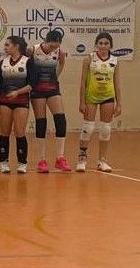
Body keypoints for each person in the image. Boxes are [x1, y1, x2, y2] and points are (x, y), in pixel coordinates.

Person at [26, 30, 70, 173]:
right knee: (41, 122)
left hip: (52, 88)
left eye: (56, 47)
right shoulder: (33, 50)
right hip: (37, 90)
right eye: (51, 46)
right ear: (45, 41)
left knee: (61, 120)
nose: (53, 49)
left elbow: (61, 64)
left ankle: (60, 158)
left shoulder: (59, 52)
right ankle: (42, 160)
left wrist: (56, 76)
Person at [77, 32, 122, 173]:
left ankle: (102, 160)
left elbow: (117, 83)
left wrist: (119, 103)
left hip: (108, 96)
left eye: (106, 43)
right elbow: (83, 82)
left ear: (110, 45)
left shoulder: (114, 61)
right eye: (100, 43)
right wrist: (82, 102)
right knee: (88, 128)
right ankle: (82, 159)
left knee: (105, 129)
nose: (103, 46)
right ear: (96, 44)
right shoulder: (89, 59)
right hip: (91, 96)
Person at [0, 36, 34, 174]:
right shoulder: (3, 62)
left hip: (21, 101)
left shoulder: (28, 62)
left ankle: (22, 163)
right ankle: (3, 162)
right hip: (4, 101)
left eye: (7, 45)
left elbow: (32, 84)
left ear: (16, 46)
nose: (5, 47)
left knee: (19, 132)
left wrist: (17, 92)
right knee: (4, 132)